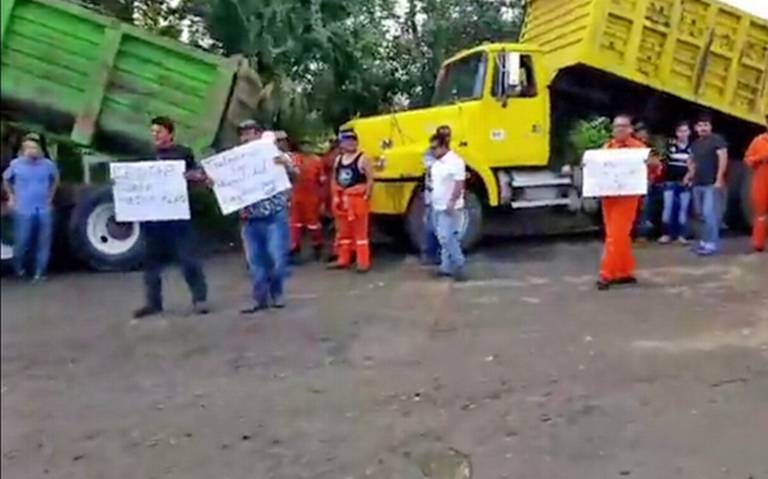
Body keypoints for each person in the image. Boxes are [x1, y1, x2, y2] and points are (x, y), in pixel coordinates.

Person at [134, 117, 209, 318]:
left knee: (188, 258)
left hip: (178, 215)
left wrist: (191, 176)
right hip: (153, 217)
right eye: (152, 132)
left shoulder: (183, 152)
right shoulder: (147, 154)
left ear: (170, 133)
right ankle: (153, 303)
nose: (155, 135)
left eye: (158, 131)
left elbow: (198, 174)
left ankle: (199, 299)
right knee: (151, 263)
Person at [229, 123, 298, 313]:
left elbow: (295, 176)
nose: (245, 138)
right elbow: (224, 185)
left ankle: (277, 293)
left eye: (249, 133)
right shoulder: (235, 161)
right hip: (249, 218)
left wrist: (287, 166)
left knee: (276, 258)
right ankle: (259, 298)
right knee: (255, 262)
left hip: (274, 215)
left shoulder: (276, 154)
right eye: (242, 135)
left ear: (259, 135)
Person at [597, 115, 647, 291]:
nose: (619, 129)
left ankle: (606, 274)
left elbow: (654, 168)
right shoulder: (607, 148)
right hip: (609, 197)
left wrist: (653, 164)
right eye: (616, 126)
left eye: (623, 126)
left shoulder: (639, 148)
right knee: (617, 234)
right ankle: (623, 271)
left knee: (615, 235)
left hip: (627, 197)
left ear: (630, 129)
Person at [2, 134, 59, 281]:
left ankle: (40, 272)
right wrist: (11, 197)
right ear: (23, 150)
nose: (31, 151)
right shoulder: (16, 164)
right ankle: (19, 267)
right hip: (23, 209)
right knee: (22, 241)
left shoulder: (48, 165)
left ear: (40, 149)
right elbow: (6, 179)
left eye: (34, 147)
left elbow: (56, 179)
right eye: (27, 148)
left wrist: (50, 196)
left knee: (43, 242)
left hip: (43, 208)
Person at [329, 131, 374, 273]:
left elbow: (370, 179)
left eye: (353, 140)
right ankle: (343, 259)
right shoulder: (339, 159)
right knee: (343, 232)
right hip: (342, 200)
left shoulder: (363, 158)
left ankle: (363, 262)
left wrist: (367, 195)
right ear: (342, 144)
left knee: (360, 233)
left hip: (357, 200)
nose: (350, 143)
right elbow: (334, 178)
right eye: (347, 141)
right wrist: (335, 196)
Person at [685, 113, 728, 256]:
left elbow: (723, 158)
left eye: (705, 125)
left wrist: (719, 178)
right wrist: (689, 175)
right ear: (696, 128)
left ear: (710, 127)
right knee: (700, 214)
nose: (703, 128)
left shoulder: (717, 140)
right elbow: (691, 160)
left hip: (711, 183)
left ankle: (711, 244)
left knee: (710, 214)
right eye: (700, 125)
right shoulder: (695, 144)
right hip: (697, 183)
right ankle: (703, 241)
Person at [428, 132, 467, 281]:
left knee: (446, 237)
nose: (433, 151)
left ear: (444, 146)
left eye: (435, 147)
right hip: (437, 205)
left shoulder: (455, 162)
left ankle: (459, 263)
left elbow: (459, 183)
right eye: (431, 148)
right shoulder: (437, 163)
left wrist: (452, 201)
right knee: (443, 236)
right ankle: (446, 267)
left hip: (449, 206)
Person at [289, 141, 326, 262]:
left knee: (313, 224)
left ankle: (317, 245)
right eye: (303, 145)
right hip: (296, 196)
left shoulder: (317, 160)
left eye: (308, 145)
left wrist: (322, 200)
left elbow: (322, 180)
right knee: (295, 224)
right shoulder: (294, 159)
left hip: (312, 197)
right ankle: (294, 248)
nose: (306, 147)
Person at [658, 121, 693, 244]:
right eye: (680, 131)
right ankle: (666, 234)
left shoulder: (692, 148)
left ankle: (682, 235)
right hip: (669, 181)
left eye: (685, 131)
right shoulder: (670, 146)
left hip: (685, 183)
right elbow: (662, 162)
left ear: (689, 132)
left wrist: (688, 177)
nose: (683, 134)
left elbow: (693, 165)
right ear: (676, 133)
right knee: (667, 208)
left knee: (683, 209)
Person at [421, 125, 451, 265]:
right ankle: (429, 254)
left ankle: (443, 256)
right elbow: (432, 166)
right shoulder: (430, 153)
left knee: (445, 228)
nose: (446, 137)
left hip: (446, 195)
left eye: (447, 135)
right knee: (430, 226)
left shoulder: (451, 152)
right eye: (443, 135)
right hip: (432, 194)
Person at [633, 122, 663, 240]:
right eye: (639, 132)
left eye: (644, 132)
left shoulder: (652, 148)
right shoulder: (630, 147)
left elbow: (657, 163)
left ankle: (643, 233)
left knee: (645, 206)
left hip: (649, 181)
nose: (642, 134)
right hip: (632, 181)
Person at [744, 115, 768, 252]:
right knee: (760, 213)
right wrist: (760, 158)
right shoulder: (758, 141)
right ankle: (758, 244)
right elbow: (747, 159)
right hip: (761, 181)